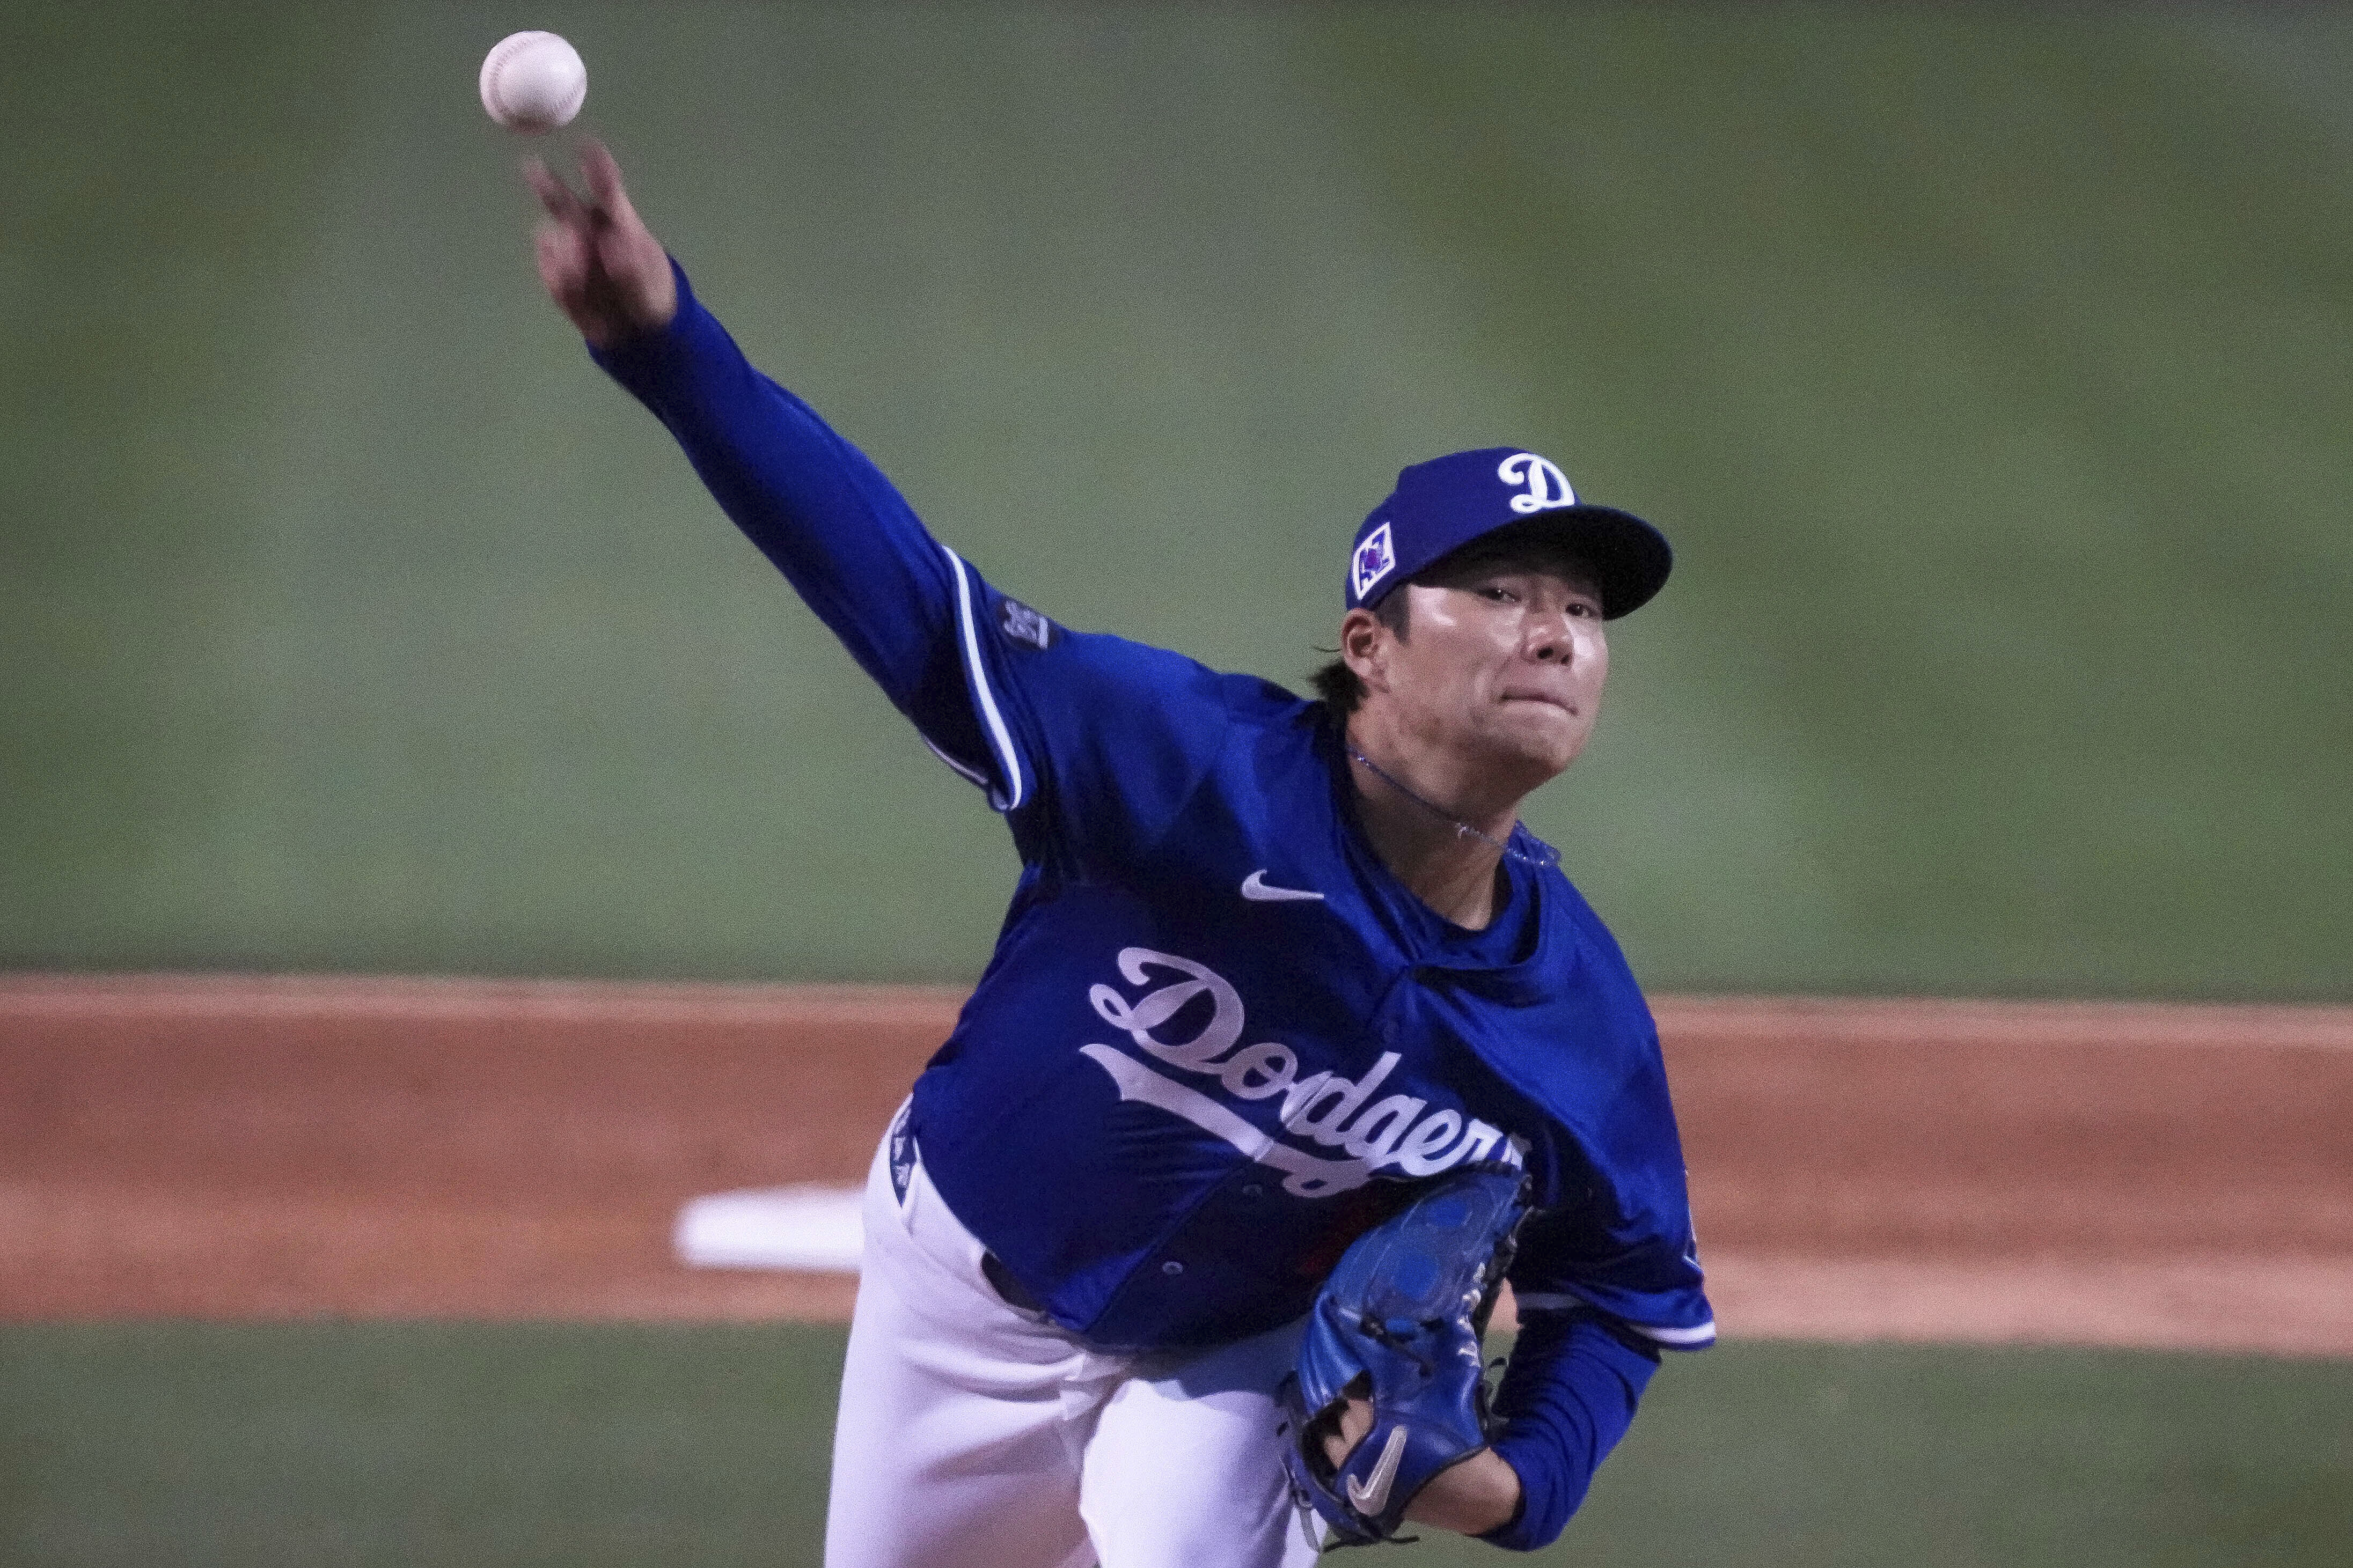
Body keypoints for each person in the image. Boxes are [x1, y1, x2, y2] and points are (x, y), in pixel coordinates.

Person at [524, 142, 1713, 1567]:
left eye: (1582, 611)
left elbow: (1622, 1293)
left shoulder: (1572, 1016)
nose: (1554, 631)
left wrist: (1515, 1490)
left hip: (1233, 1362)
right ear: (1366, 648)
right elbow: (902, 594)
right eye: (1499, 590)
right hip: (959, 1293)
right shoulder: (1175, 763)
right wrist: (664, 345)